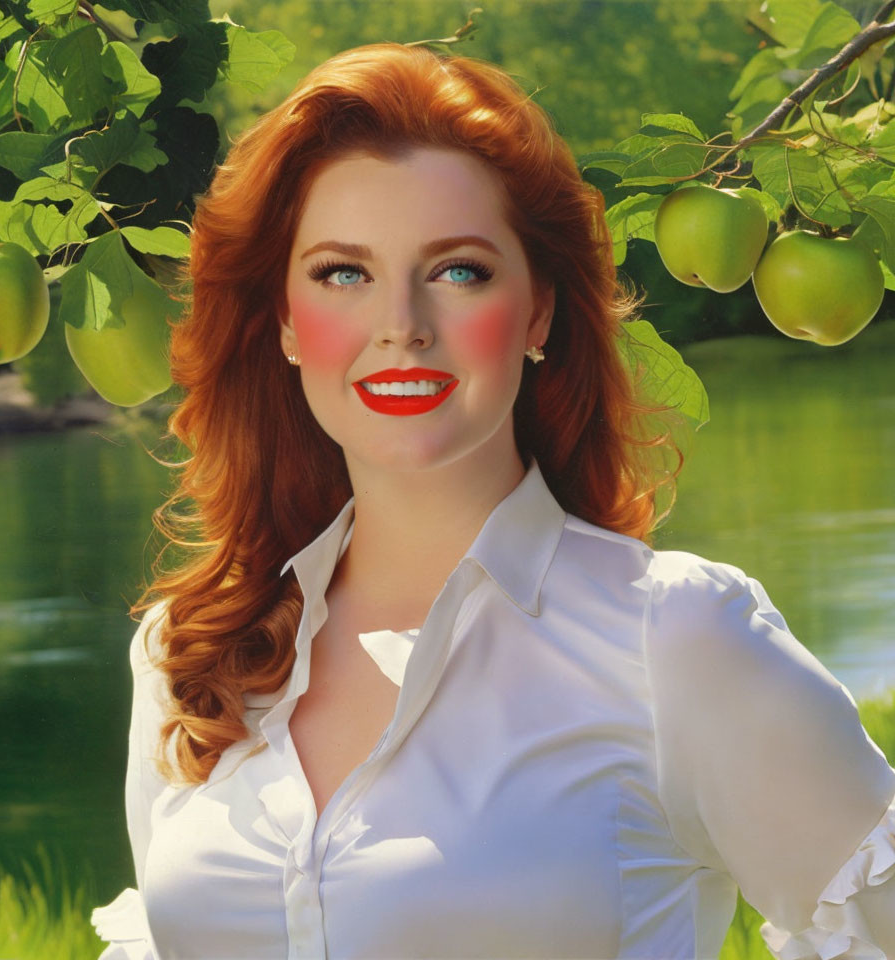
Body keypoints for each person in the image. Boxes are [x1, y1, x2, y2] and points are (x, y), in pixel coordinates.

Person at [90, 41, 895, 960]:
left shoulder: (671, 639)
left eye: (458, 270)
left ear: (541, 310)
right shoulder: (189, 656)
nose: (402, 324)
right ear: (281, 321)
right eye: (342, 273)